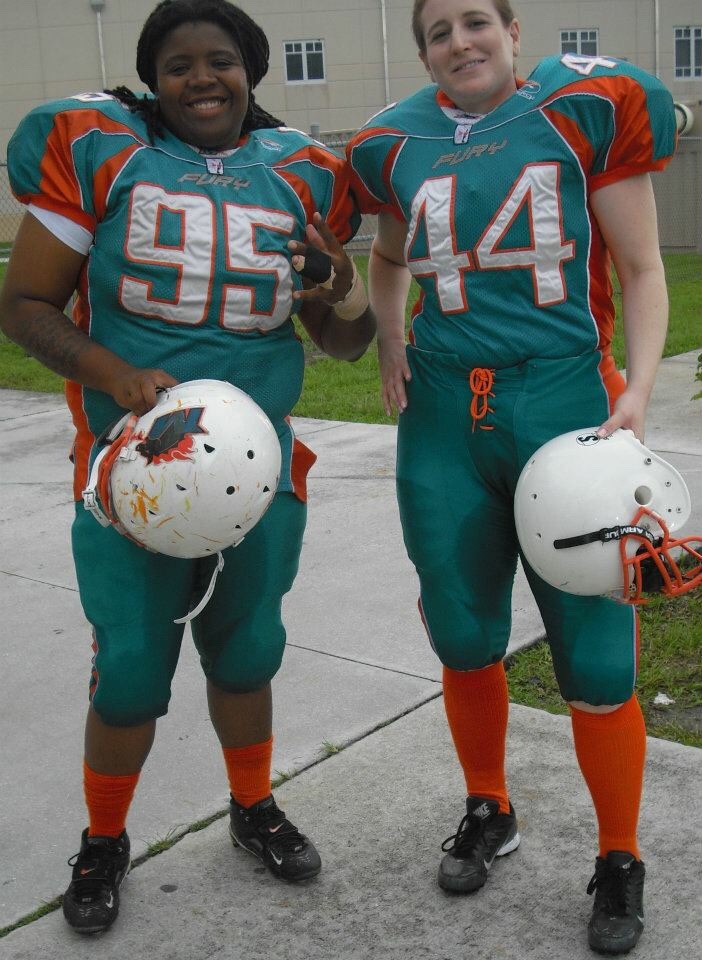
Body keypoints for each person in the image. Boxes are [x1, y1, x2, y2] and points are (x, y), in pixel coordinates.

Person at [0, 0, 374, 936]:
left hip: (259, 466)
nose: (201, 79)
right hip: (133, 467)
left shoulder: (302, 173)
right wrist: (112, 373)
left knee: (247, 653)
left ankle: (253, 807)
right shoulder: (104, 151)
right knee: (131, 668)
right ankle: (103, 839)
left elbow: (345, 341)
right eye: (178, 65)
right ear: (152, 80)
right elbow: (25, 303)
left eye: (220, 61)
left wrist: (340, 289)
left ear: (251, 71)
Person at [346, 0, 676, 954]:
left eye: (476, 21)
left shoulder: (578, 112)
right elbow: (388, 255)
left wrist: (637, 389)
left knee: (597, 655)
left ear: (513, 30)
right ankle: (489, 805)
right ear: (423, 53)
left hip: (564, 399)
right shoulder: (394, 142)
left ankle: (620, 854)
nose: (461, 42)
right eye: (439, 31)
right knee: (462, 633)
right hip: (446, 419)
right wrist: (391, 339)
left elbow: (643, 268)